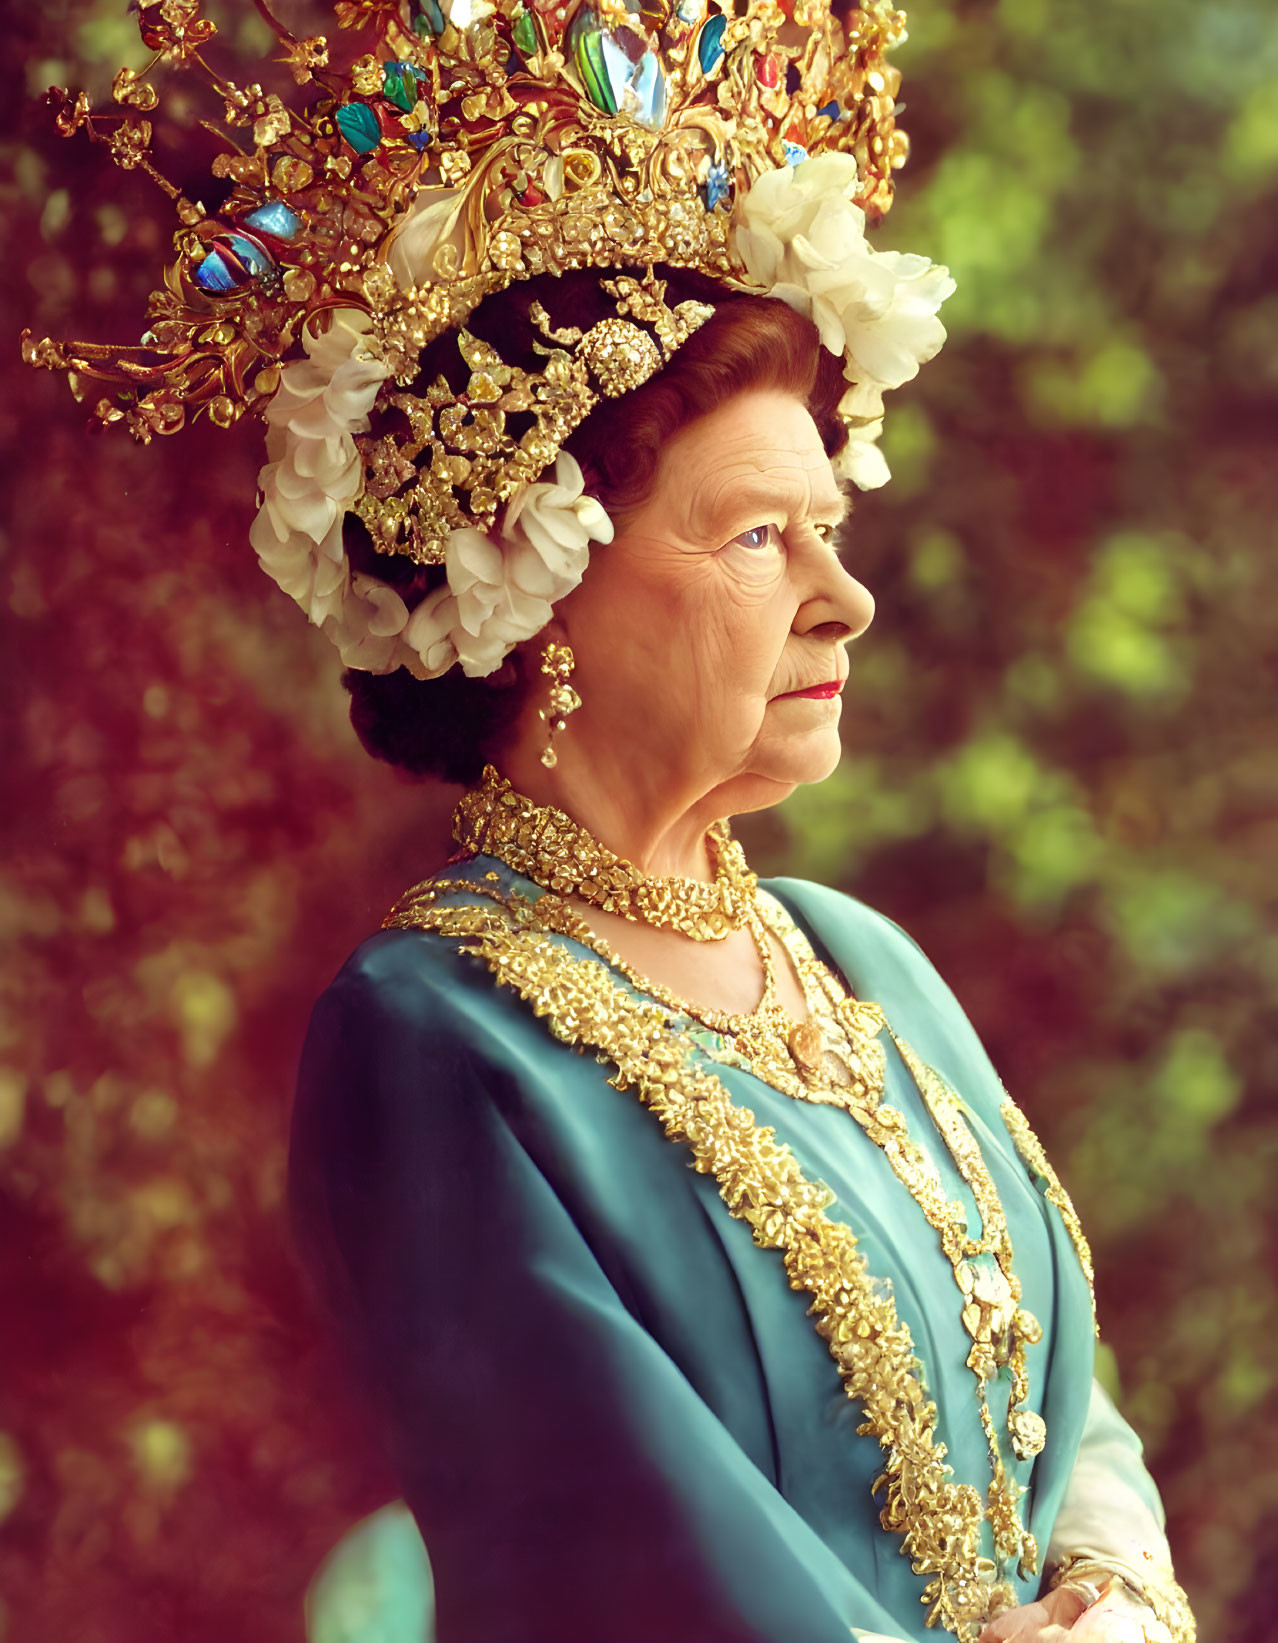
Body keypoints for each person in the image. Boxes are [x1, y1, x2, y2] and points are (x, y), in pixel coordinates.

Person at [24, 2, 1197, 1639]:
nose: (842, 599)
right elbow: (625, 1558)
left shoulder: (861, 964)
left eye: (830, 529)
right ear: (545, 590)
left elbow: (1078, 1416)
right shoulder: (430, 1038)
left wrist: (1119, 1597)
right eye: (751, 540)